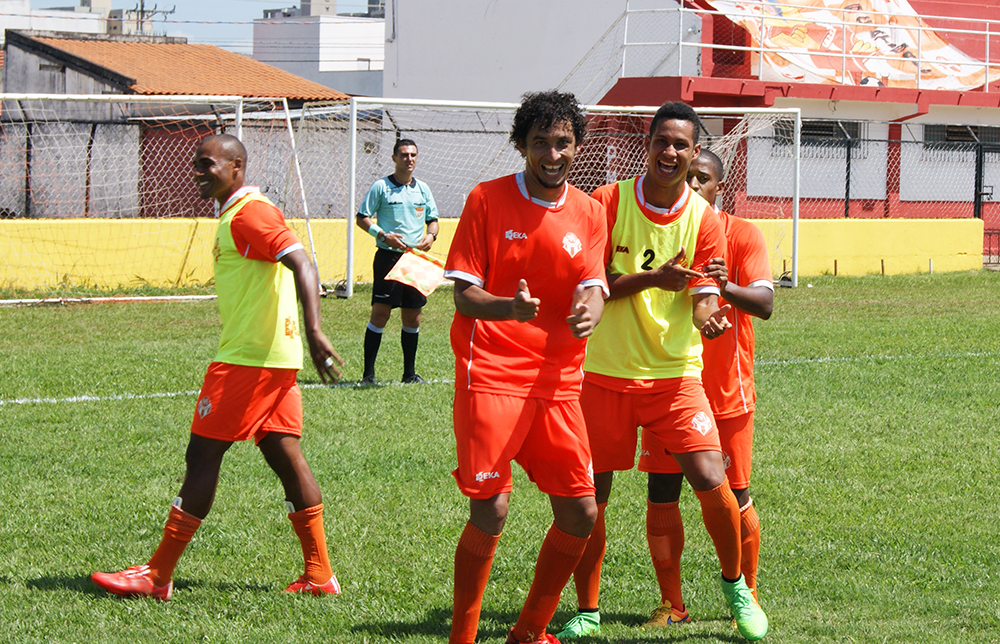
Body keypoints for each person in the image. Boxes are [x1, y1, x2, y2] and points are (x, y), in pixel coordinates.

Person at [91, 133, 344, 601]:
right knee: (286, 458)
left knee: (202, 457)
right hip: (271, 359)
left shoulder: (251, 212)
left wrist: (314, 330)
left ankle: (157, 575)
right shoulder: (235, 213)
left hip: (249, 361)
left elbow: (302, 263)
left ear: (236, 166)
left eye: (207, 164)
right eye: (196, 164)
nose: (198, 172)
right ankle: (320, 575)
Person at [555, 103, 768, 641]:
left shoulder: (706, 220)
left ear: (695, 152)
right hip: (604, 375)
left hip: (675, 376)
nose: (670, 153)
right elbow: (594, 281)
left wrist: (711, 316)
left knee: (710, 478)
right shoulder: (609, 201)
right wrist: (651, 279)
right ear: (646, 145)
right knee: (591, 495)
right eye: (662, 142)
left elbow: (700, 299)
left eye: (682, 145)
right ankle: (588, 607)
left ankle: (736, 587)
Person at [444, 90, 608, 644]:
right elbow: (464, 296)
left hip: (559, 380)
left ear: (577, 147)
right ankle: (462, 637)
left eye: (563, 143)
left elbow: (593, 286)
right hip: (490, 369)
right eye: (541, 142)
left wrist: (592, 308)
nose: (553, 154)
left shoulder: (589, 212)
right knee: (492, 508)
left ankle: (529, 633)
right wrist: (508, 308)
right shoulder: (485, 200)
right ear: (522, 145)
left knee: (581, 512)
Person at [640, 149, 774, 610]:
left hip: (726, 391)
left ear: (720, 185)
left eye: (703, 179)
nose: (693, 185)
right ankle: (671, 605)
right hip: (671, 385)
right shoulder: (663, 230)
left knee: (735, 495)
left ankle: (748, 596)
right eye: (689, 178)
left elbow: (765, 303)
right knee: (662, 492)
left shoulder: (741, 234)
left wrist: (725, 286)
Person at [355, 139, 440, 385]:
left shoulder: (423, 189)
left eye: (413, 155)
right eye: (404, 155)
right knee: (380, 314)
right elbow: (362, 218)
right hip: (388, 257)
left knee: (413, 316)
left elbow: (433, 219)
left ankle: (409, 374)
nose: (409, 159)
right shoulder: (381, 187)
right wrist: (383, 235)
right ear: (394, 158)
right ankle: (368, 375)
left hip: (415, 259)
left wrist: (431, 235)